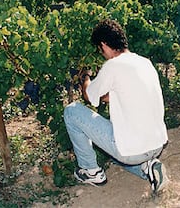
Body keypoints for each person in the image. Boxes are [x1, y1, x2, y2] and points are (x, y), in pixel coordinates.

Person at [63, 19, 169, 193]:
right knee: (118, 155)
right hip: (156, 144)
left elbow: (89, 96)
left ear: (104, 45)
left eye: (100, 50)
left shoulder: (113, 66)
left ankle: (90, 171)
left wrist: (86, 78)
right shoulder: (144, 62)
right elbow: (125, 94)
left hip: (133, 151)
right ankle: (148, 168)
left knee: (72, 111)